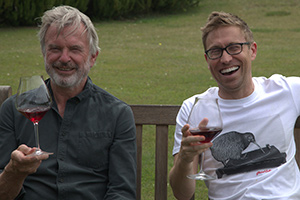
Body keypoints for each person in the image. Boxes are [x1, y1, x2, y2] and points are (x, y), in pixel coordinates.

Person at [0, 5, 137, 200]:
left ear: (92, 57)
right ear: (44, 53)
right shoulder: (14, 110)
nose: (64, 58)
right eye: (55, 48)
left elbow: (122, 192)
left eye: (75, 49)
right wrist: (15, 171)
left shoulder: (117, 114)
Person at [169, 11, 300, 200]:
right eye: (215, 51)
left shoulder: (286, 91)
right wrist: (185, 158)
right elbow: (182, 195)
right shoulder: (194, 108)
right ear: (207, 60)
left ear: (252, 50)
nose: (225, 59)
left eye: (234, 47)